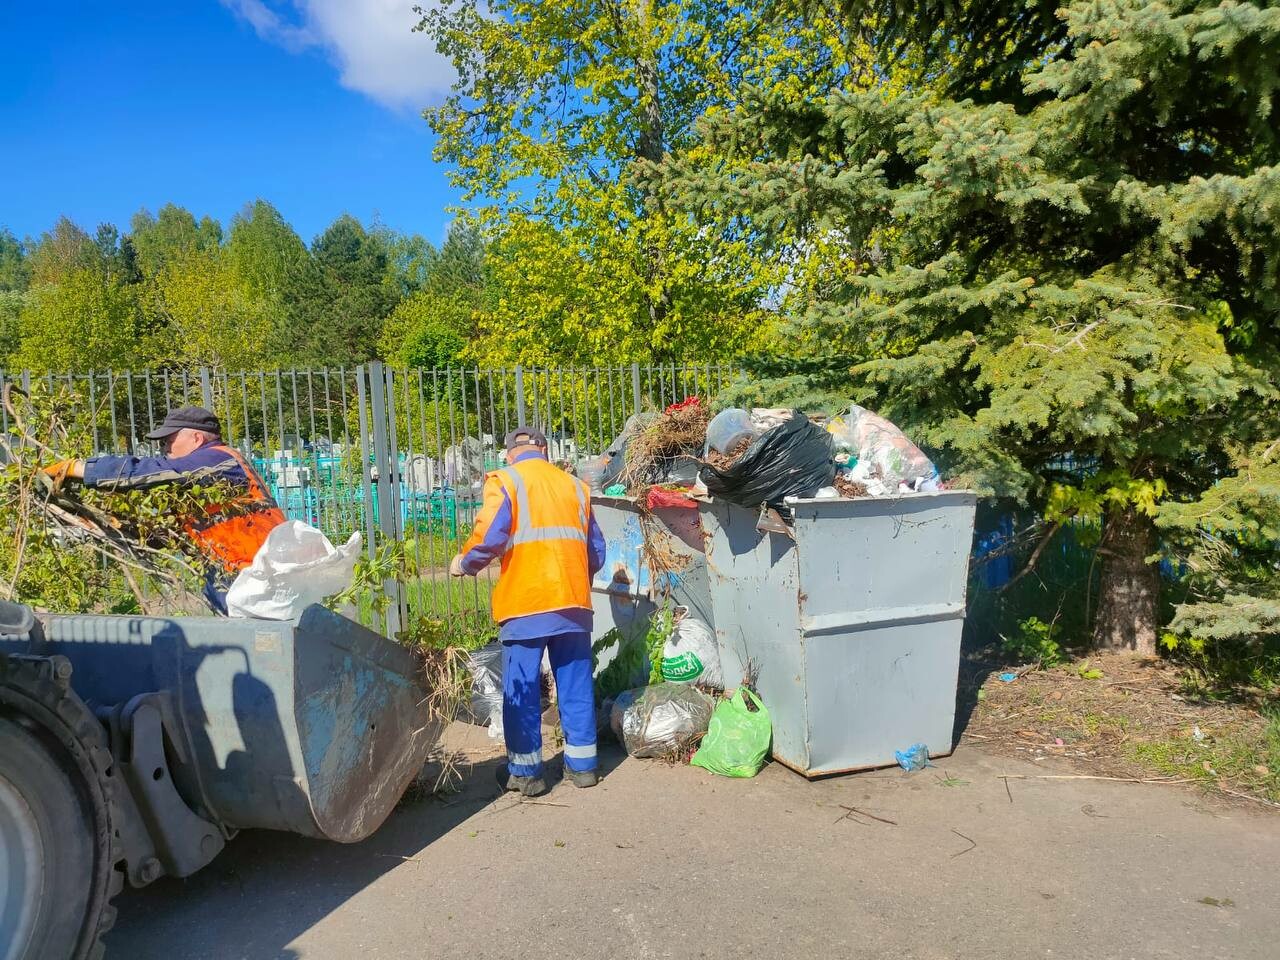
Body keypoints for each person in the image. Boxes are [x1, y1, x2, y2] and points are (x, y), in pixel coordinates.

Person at [450, 426, 606, 797]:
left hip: (527, 601)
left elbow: (490, 536)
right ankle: (583, 768)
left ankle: (526, 774)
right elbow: (596, 552)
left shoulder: (505, 480)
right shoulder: (576, 487)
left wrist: (465, 563)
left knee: (521, 687)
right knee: (575, 682)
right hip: (572, 602)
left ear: (509, 454)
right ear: (544, 451)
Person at [42, 405, 285, 614]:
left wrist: (80, 469)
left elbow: (147, 472)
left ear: (197, 439)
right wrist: (106, 521)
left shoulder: (216, 460)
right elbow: (167, 535)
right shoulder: (197, 486)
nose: (164, 450)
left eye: (169, 441)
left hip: (257, 576)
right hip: (240, 576)